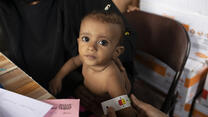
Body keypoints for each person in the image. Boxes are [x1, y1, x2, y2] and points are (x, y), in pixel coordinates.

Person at [49, 11, 137, 117]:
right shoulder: (86, 57)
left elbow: (124, 105)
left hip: (107, 105)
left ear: (116, 52)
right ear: (78, 42)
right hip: (87, 98)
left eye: (102, 42)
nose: (91, 47)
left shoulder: (111, 77)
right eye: (86, 39)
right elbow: (73, 62)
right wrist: (58, 78)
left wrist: (105, 108)